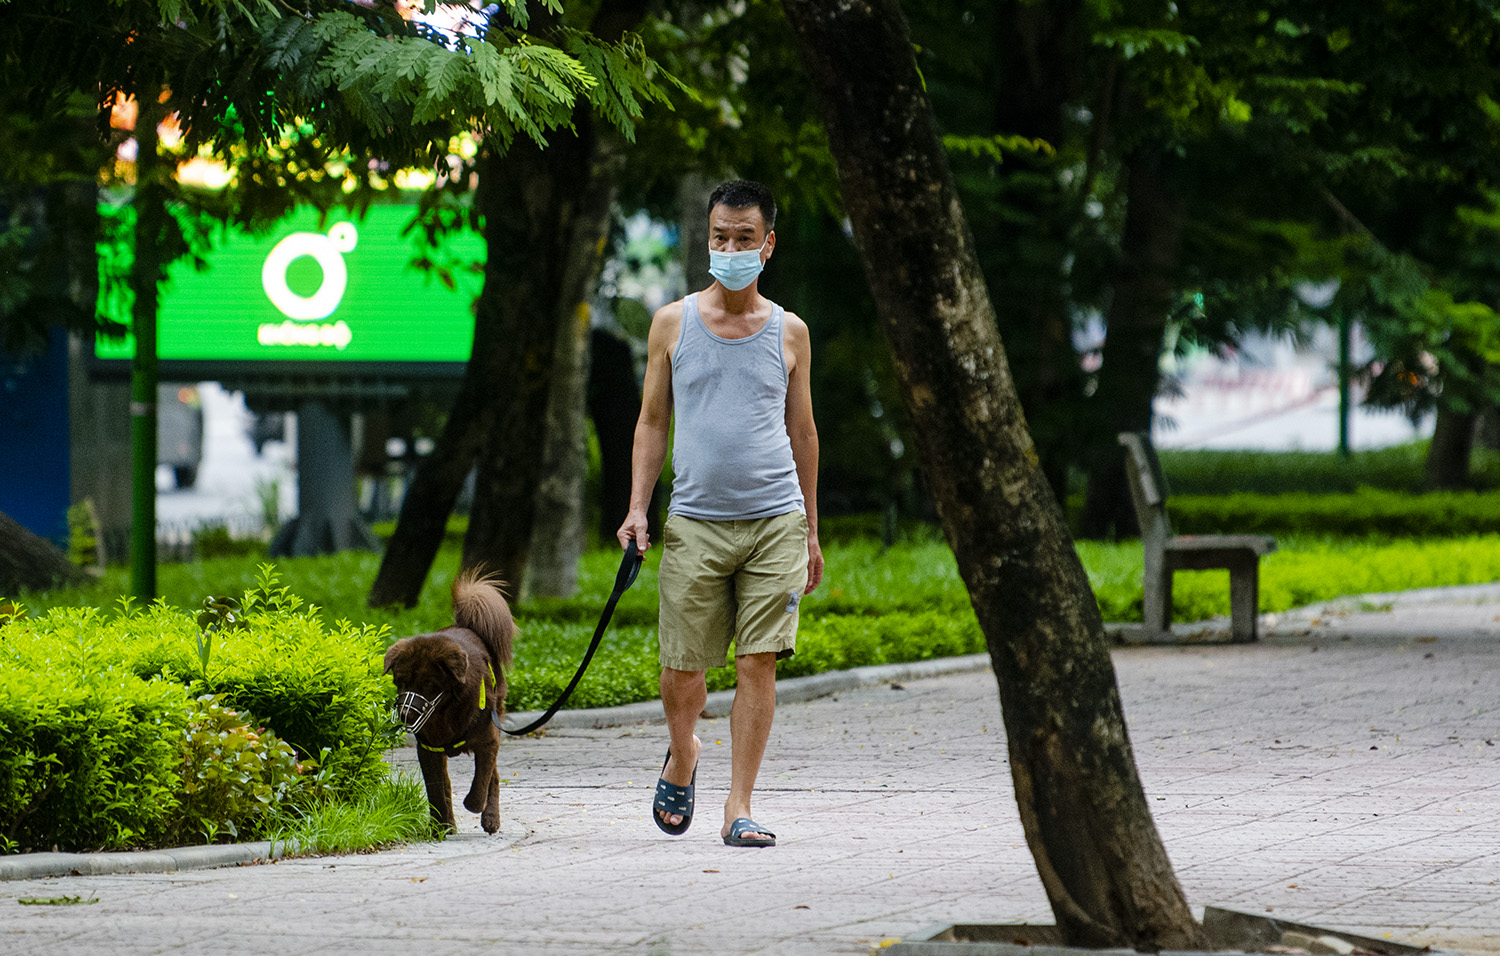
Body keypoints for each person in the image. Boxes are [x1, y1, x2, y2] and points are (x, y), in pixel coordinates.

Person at [616, 179, 823, 848]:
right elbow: (652, 421)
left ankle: (739, 806)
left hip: (775, 521)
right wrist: (637, 510)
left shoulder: (790, 332)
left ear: (768, 245)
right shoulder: (672, 323)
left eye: (743, 239)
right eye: (718, 238)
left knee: (756, 663)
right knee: (682, 672)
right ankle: (684, 755)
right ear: (707, 240)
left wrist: (812, 532)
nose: (729, 249)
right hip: (696, 521)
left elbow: (805, 434)